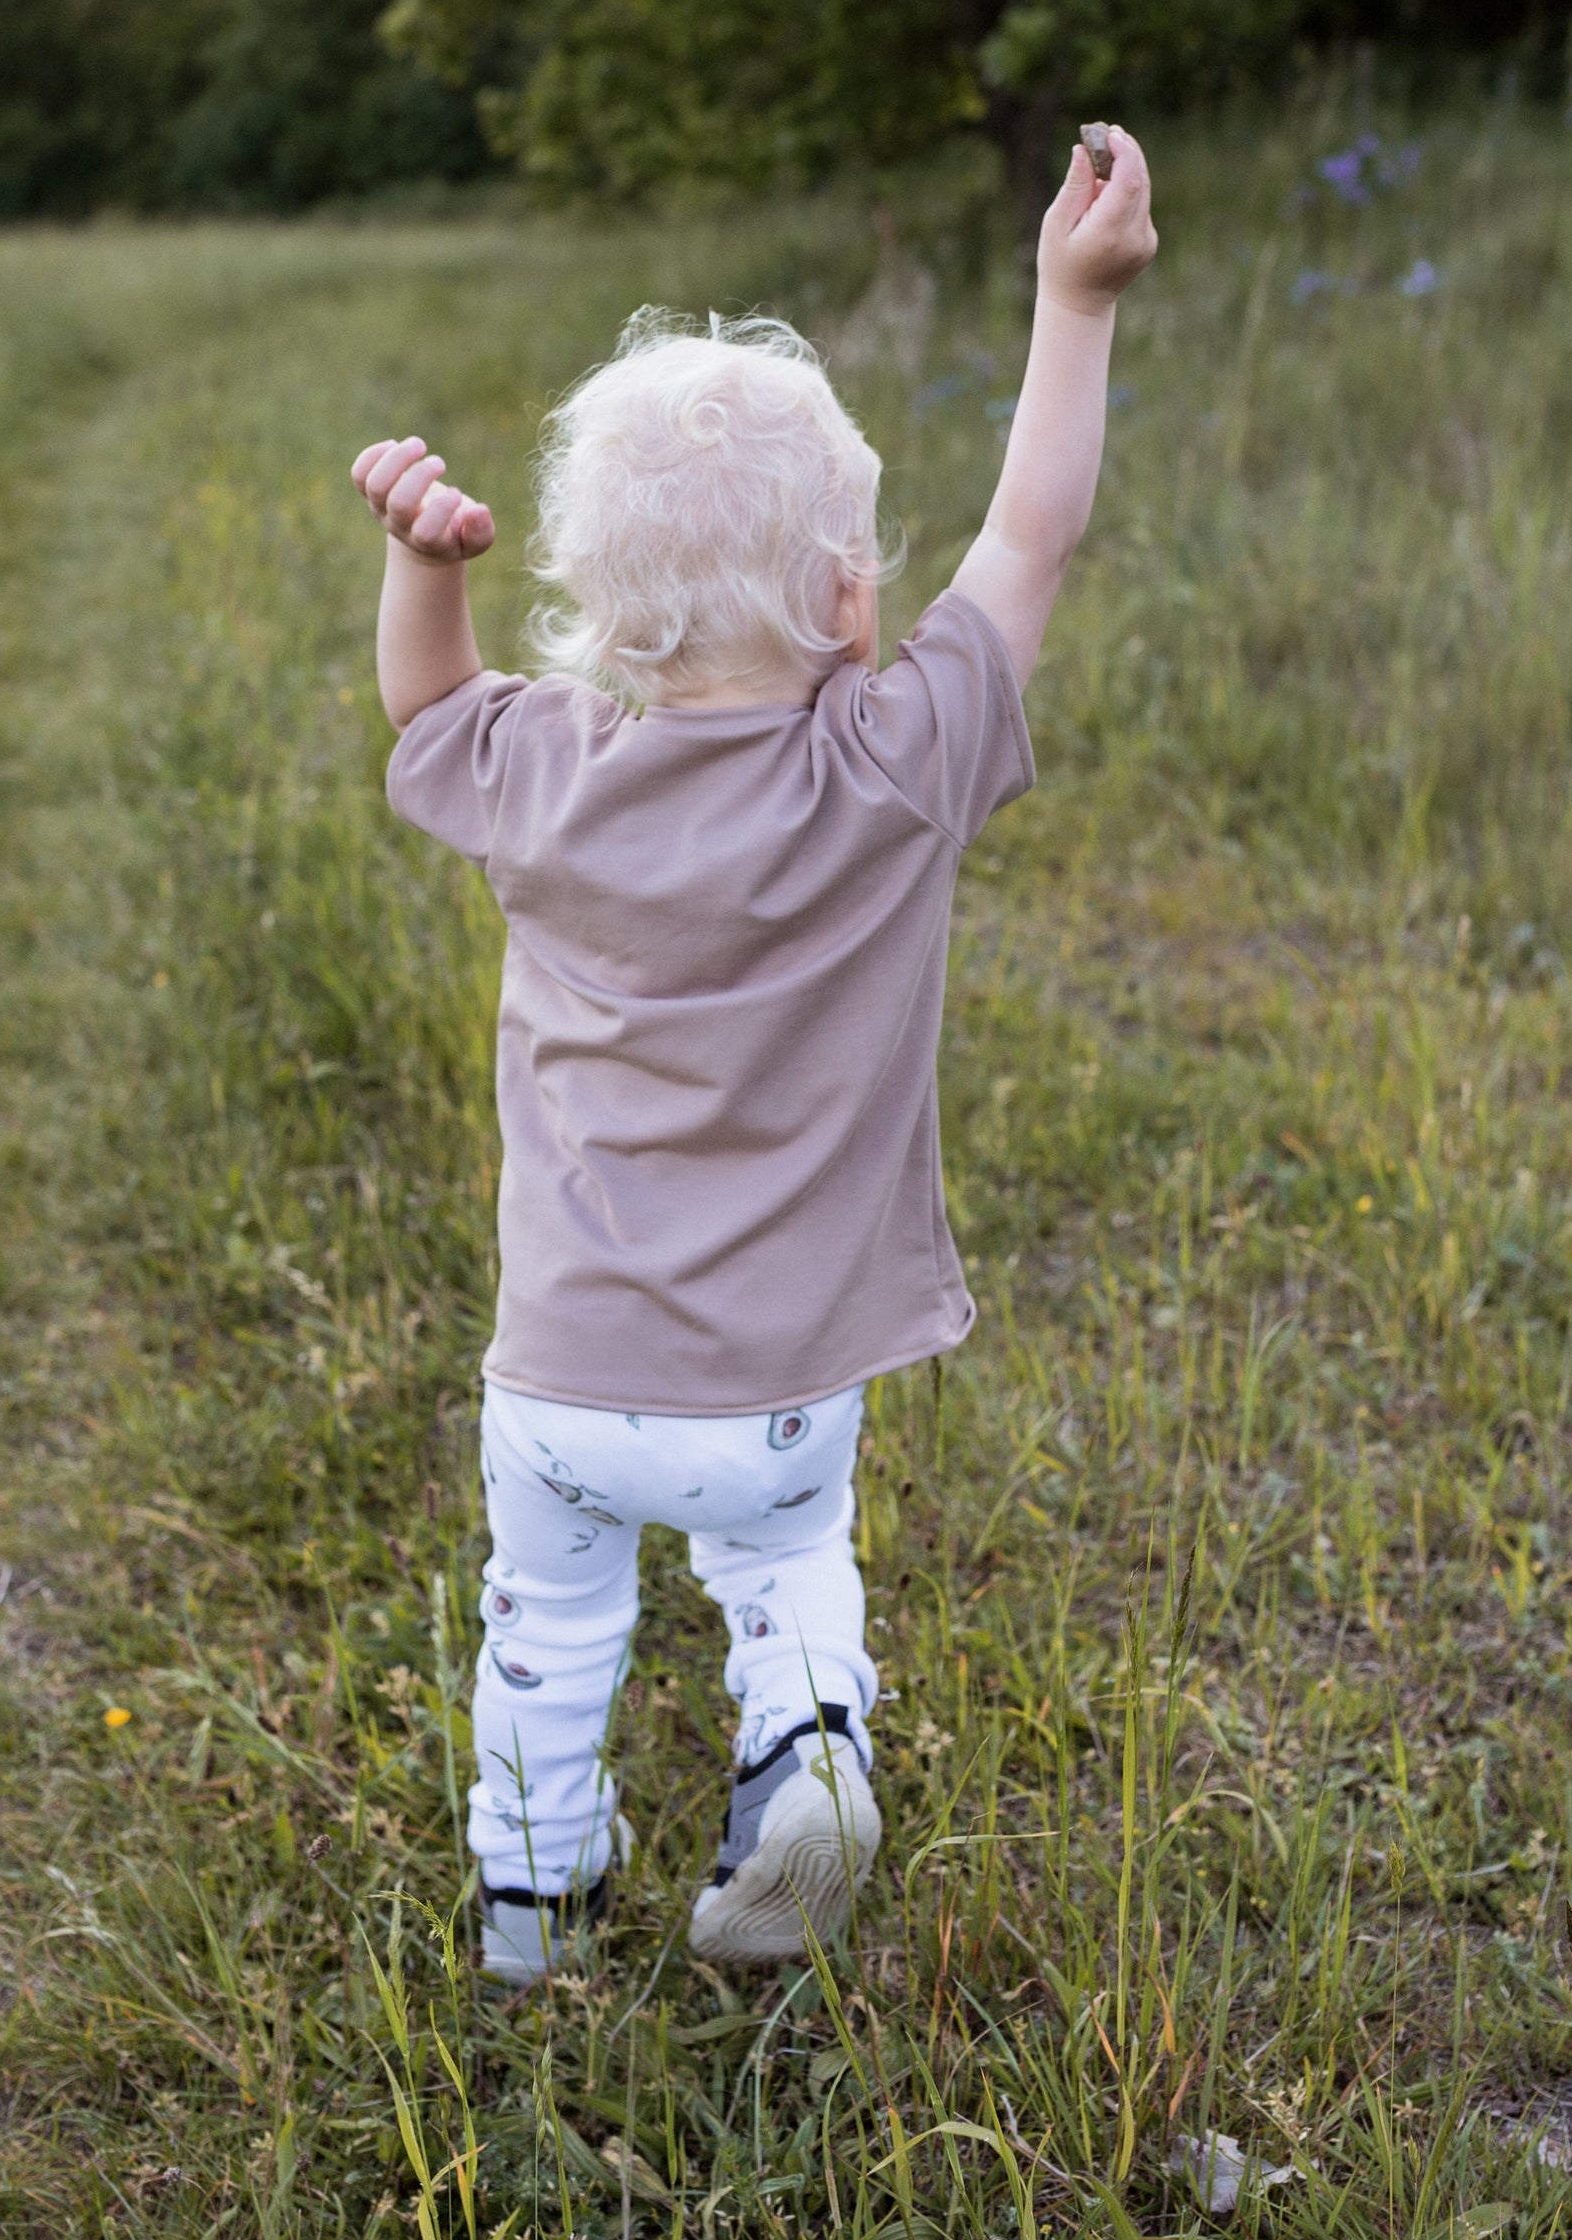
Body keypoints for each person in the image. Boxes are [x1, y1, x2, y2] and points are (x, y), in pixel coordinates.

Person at [352, 132, 1156, 1983]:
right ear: (850, 600)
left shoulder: (545, 772)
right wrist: (1072, 299)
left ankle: (532, 1911)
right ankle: (803, 1749)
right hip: (781, 1389)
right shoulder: (893, 764)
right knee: (788, 1572)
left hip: (563, 1375)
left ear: (595, 611)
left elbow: (427, 702)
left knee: (546, 1625)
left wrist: (422, 562)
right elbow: (1031, 534)